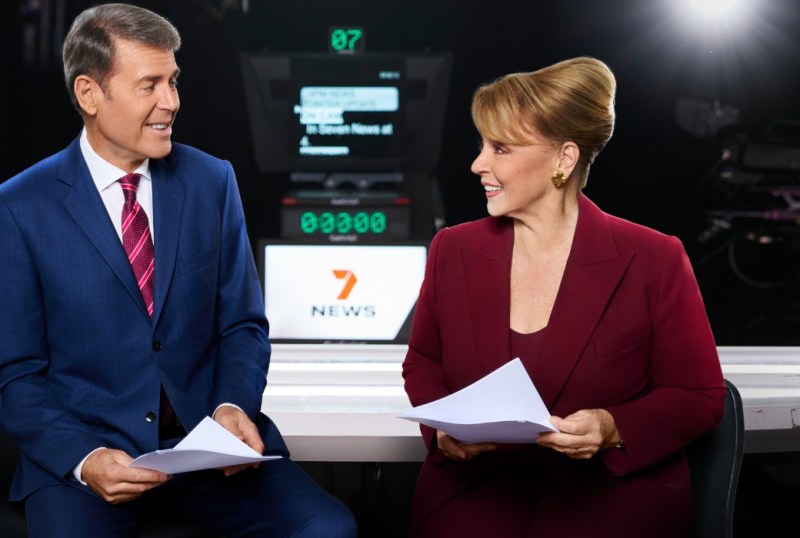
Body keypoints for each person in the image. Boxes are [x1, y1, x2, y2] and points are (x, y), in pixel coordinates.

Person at [0, 4, 357, 537]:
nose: (171, 102)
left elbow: (242, 325)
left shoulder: (212, 181)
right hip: (89, 466)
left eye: (173, 81)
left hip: (211, 452)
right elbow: (16, 375)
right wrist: (85, 458)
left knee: (329, 528)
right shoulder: (19, 205)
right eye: (150, 85)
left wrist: (233, 406)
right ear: (89, 94)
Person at [401, 57, 726, 537]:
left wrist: (612, 427)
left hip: (608, 501)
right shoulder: (452, 248)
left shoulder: (653, 257)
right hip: (476, 493)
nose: (478, 164)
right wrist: (441, 433)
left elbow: (700, 397)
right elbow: (424, 362)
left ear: (564, 159)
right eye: (481, 145)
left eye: (500, 148)